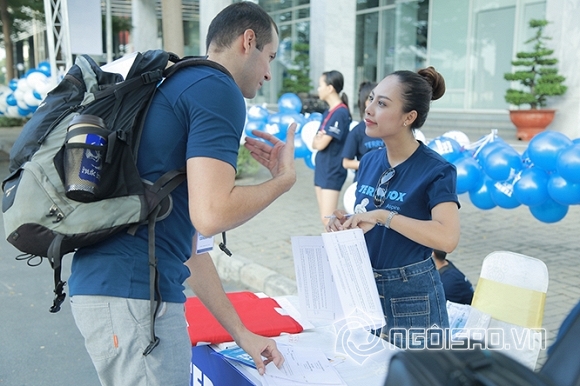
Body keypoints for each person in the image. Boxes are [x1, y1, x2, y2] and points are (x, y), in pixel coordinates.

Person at [67, 3, 295, 385]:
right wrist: (283, 181)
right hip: (134, 293)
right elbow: (213, 215)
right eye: (269, 57)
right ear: (248, 41)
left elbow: (189, 247)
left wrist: (243, 334)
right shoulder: (218, 88)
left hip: (114, 288)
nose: (269, 72)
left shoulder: (177, 81)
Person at [326, 67, 460, 348]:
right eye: (371, 99)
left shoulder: (436, 170)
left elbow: (447, 237)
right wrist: (346, 221)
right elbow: (370, 220)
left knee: (416, 377)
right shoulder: (371, 161)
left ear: (408, 117)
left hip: (413, 296)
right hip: (364, 289)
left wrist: (384, 216)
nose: (369, 108)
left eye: (382, 103)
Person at [312, 70, 351, 226]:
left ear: (330, 88)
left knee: (328, 219)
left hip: (332, 170)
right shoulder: (328, 112)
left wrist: (319, 140)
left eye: (320, 85)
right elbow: (314, 143)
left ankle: (339, 246)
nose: (318, 89)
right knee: (325, 218)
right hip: (322, 168)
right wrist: (318, 140)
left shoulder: (341, 113)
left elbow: (320, 143)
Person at [341, 81, 383, 182]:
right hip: (364, 184)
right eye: (374, 98)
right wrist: (371, 165)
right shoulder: (357, 131)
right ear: (367, 102)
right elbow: (346, 162)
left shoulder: (389, 128)